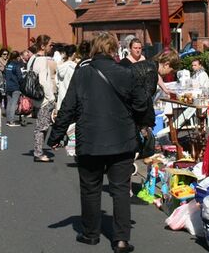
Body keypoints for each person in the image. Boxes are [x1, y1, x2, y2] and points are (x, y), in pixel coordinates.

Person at [48, 32, 148, 252]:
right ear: (114, 50)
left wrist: (56, 136)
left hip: (90, 140)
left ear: (93, 49)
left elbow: (68, 108)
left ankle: (91, 234)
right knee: (120, 189)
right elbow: (142, 103)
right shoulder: (126, 72)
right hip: (122, 140)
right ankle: (121, 239)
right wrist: (138, 123)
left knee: (90, 188)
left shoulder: (82, 73)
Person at [30, 34, 56, 163]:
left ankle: (38, 150)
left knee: (42, 125)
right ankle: (38, 153)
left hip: (34, 97)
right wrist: (51, 98)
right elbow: (44, 81)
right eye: (50, 45)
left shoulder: (32, 59)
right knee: (42, 127)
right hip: (44, 98)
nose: (52, 47)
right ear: (43, 46)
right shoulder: (42, 61)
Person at [4, 51, 24, 127]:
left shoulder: (8, 65)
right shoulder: (16, 65)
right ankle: (12, 121)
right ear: (17, 57)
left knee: (9, 103)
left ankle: (8, 120)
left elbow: (5, 75)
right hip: (15, 86)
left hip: (8, 86)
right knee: (13, 103)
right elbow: (20, 77)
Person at [56, 44, 78, 110]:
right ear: (74, 54)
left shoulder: (60, 66)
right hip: (71, 100)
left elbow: (57, 82)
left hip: (60, 99)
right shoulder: (75, 67)